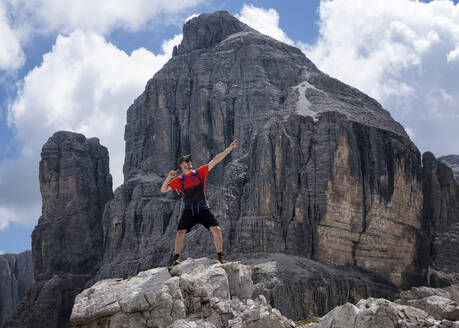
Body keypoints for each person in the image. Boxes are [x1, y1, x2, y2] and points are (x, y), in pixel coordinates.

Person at [160, 139, 238, 265]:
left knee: (216, 230)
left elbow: (215, 160)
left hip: (203, 208)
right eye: (186, 161)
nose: (189, 162)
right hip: (189, 210)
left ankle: (220, 256)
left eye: (189, 160)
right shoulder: (178, 181)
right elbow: (163, 189)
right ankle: (176, 259)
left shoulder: (200, 173)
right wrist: (170, 177)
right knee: (180, 233)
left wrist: (228, 150)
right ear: (181, 165)